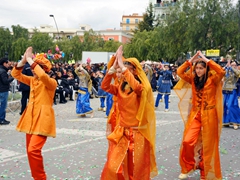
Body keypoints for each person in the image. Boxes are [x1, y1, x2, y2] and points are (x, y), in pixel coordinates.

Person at [100, 45, 158, 180]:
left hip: (137, 134)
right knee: (113, 166)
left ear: (134, 72)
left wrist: (122, 65)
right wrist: (112, 69)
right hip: (122, 132)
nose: (122, 73)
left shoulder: (140, 88)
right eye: (121, 71)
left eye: (126, 70)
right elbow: (105, 86)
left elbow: (137, 86)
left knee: (135, 170)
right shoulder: (120, 87)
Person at [174, 51, 225, 179]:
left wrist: (206, 60)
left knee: (207, 145)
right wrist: (190, 60)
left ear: (206, 69)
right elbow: (179, 72)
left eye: (201, 68)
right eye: (196, 68)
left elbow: (221, 72)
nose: (198, 70)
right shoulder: (193, 79)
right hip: (196, 114)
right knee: (187, 141)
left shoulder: (213, 79)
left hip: (209, 114)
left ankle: (204, 172)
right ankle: (189, 166)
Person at [11, 47, 57, 180]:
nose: (32, 69)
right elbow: (15, 75)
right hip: (30, 118)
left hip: (43, 119)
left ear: (45, 69)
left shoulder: (51, 82)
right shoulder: (32, 80)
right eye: (32, 66)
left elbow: (42, 75)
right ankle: (37, 177)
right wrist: (23, 61)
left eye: (36, 66)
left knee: (33, 150)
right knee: (30, 151)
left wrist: (30, 60)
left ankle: (41, 178)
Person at [222, 60, 240, 129]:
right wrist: (226, 66)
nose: (233, 66)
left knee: (231, 105)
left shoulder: (237, 71)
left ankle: (236, 122)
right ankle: (226, 121)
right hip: (225, 90)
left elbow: (237, 73)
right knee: (224, 106)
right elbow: (219, 72)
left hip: (233, 90)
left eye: (235, 65)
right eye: (232, 65)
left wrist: (231, 67)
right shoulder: (227, 71)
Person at [0, 57, 14, 125]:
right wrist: (12, 77)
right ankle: (1, 119)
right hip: (3, 90)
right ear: (4, 63)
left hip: (1, 89)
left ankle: (2, 118)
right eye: (7, 63)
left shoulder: (2, 70)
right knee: (3, 105)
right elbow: (5, 81)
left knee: (2, 105)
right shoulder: (2, 71)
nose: (8, 65)